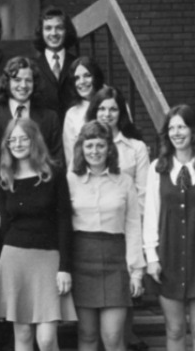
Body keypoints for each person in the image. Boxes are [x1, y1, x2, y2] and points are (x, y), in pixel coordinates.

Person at [0, 118, 76, 351]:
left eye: (23, 138)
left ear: (34, 140)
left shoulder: (54, 174)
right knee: (23, 336)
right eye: (12, 139)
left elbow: (63, 221)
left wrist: (64, 267)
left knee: (47, 339)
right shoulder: (4, 179)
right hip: (14, 259)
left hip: (48, 259)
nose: (17, 144)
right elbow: (6, 226)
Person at [67, 120, 145, 351]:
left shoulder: (125, 181)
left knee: (112, 336)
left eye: (100, 145)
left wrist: (136, 272)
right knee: (87, 335)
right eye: (89, 145)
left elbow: (133, 227)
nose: (95, 151)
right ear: (81, 148)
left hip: (115, 261)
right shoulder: (70, 180)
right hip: (81, 259)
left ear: (110, 148)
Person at [85, 86, 150, 350]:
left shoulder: (136, 147)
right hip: (94, 232)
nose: (107, 114)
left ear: (121, 112)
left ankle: (128, 337)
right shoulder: (86, 144)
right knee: (91, 331)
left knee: (118, 321)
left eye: (113, 108)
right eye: (101, 108)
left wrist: (135, 230)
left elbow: (143, 193)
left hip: (128, 226)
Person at [143, 104, 195, 351]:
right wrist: (151, 257)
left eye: (182, 126)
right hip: (170, 257)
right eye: (172, 127)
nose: (177, 132)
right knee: (174, 330)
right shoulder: (158, 168)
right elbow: (151, 214)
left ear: (192, 130)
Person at [0, 56, 63, 164]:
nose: (23, 85)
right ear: (7, 82)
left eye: (28, 80)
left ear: (35, 83)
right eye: (17, 80)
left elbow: (57, 159)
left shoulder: (50, 118)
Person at [33, 6, 78, 121]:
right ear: (41, 32)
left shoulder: (78, 64)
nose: (54, 33)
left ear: (66, 31)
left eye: (59, 28)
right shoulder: (33, 66)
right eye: (48, 28)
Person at [62, 56, 105, 166]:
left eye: (87, 76)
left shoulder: (113, 104)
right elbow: (71, 156)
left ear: (96, 77)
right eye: (77, 78)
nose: (82, 82)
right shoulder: (72, 114)